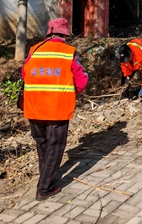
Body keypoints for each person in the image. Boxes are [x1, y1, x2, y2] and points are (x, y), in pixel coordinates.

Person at [22, 18, 88, 201]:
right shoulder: (68, 52)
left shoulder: (34, 50)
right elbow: (81, 80)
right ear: (65, 35)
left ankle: (46, 177)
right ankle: (44, 188)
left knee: (42, 143)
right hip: (57, 108)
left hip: (34, 106)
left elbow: (24, 73)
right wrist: (73, 91)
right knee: (56, 146)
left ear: (49, 33)